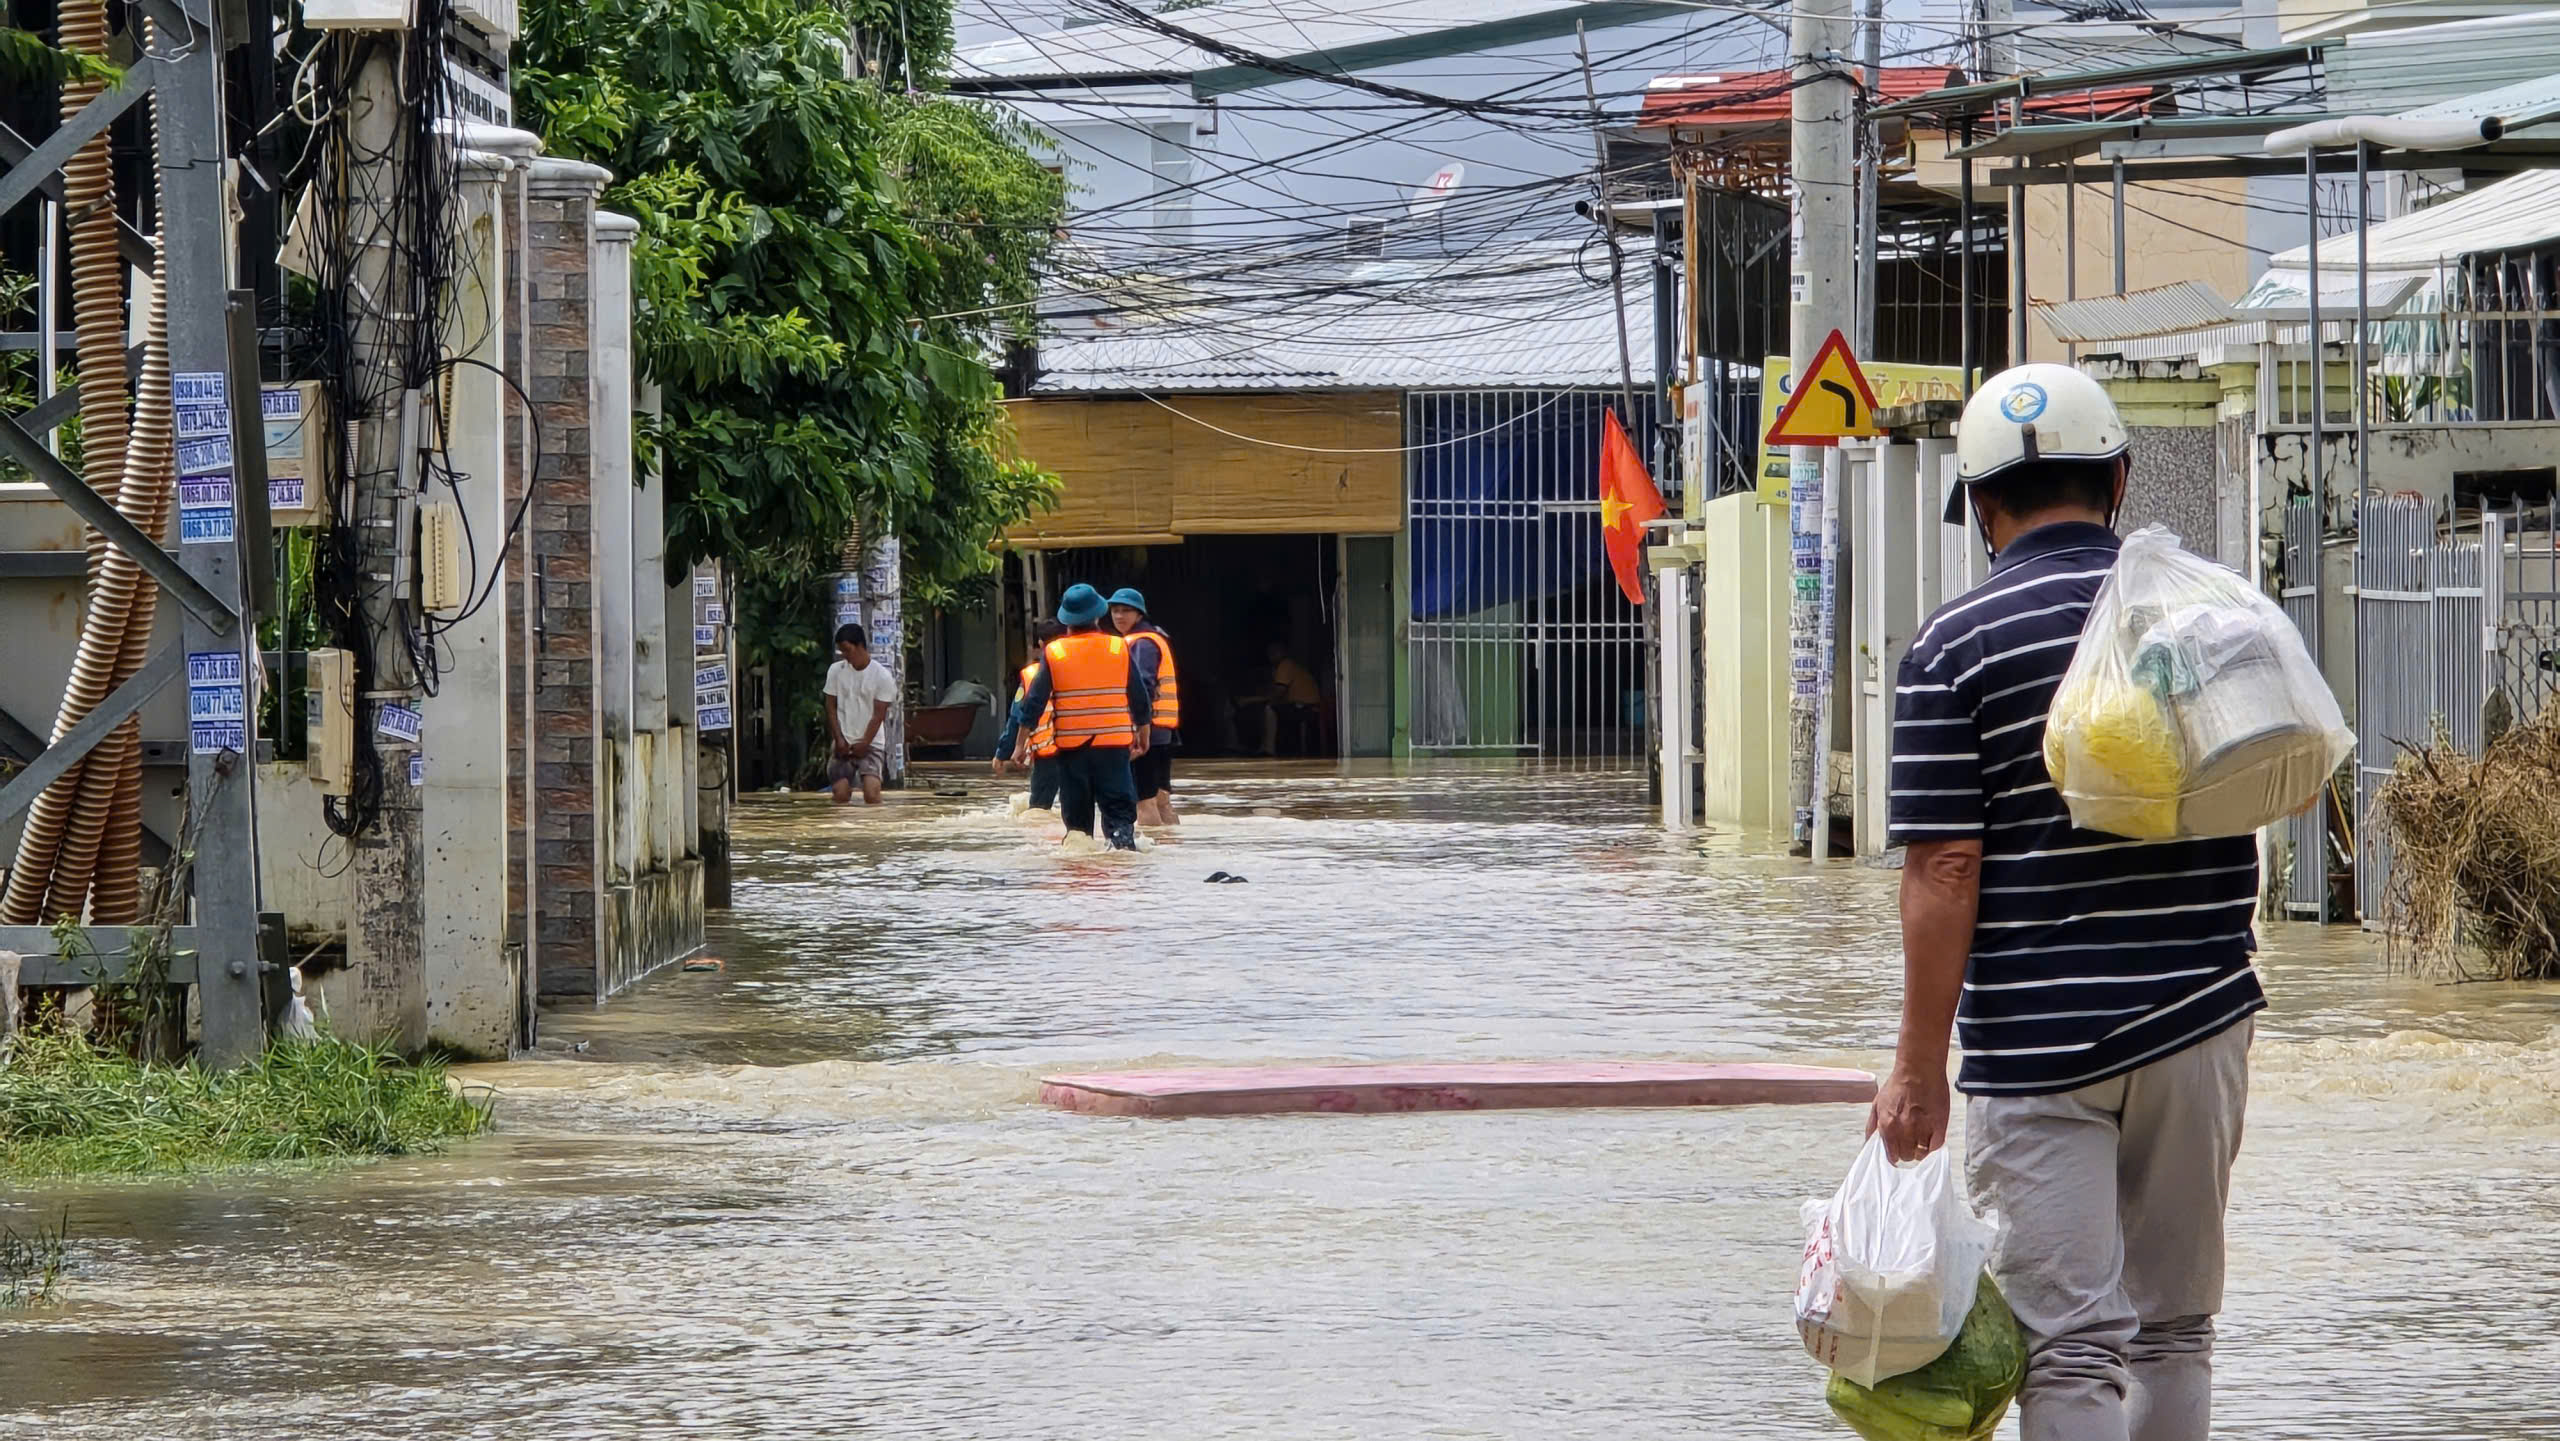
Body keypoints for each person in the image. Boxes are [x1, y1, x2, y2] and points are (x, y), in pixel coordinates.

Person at [1873, 364, 2262, 1441]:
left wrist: (1916, 1069)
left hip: (2038, 1048)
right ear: (2121, 480)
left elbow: (1945, 870)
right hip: (2200, 1018)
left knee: (2073, 1343)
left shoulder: (1950, 648)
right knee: (2175, 1328)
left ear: (1983, 509)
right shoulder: (2201, 619)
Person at [1007, 584, 1151, 850]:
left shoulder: (1055, 652)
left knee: (1077, 827)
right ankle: (1124, 865)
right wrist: (1143, 735)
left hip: (1073, 750)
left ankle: (1080, 876)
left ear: (1066, 619)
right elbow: (1139, 697)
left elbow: (1034, 702)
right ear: (1097, 615)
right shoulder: (1117, 647)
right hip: (1114, 747)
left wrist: (1019, 744)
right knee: (1120, 819)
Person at [1107, 587, 1181, 827]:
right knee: (1161, 800)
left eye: (1126, 611)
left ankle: (1151, 863)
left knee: (1144, 801)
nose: (1119, 616)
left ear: (1139, 614)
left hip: (1148, 730)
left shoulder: (1140, 643)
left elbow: (1143, 685)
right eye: (1115, 611)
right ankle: (1173, 847)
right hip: (1163, 730)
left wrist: (1138, 726)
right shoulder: (1154, 637)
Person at [994, 619, 1065, 811]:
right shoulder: (1082, 668)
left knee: (1039, 811)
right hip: (1081, 749)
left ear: (1040, 644)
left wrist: (1003, 752)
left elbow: (1018, 717)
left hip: (1047, 754)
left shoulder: (1031, 675)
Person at [823, 623, 898, 806]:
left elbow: (878, 715)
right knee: (840, 794)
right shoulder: (835, 671)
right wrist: (839, 739)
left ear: (860, 646)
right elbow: (830, 707)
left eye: (848, 650)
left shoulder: (882, 676)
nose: (846, 657)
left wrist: (864, 743)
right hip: (843, 740)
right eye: (843, 652)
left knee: (872, 795)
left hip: (871, 743)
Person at [1261, 642, 1322, 756]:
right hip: (1308, 706)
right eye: (1270, 653)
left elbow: (1279, 692)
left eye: (1275, 652)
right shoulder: (1290, 666)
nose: (1272, 656)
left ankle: (1269, 750)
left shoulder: (1285, 664)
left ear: (1283, 652)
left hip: (1306, 707)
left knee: (1269, 708)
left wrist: (1259, 699)